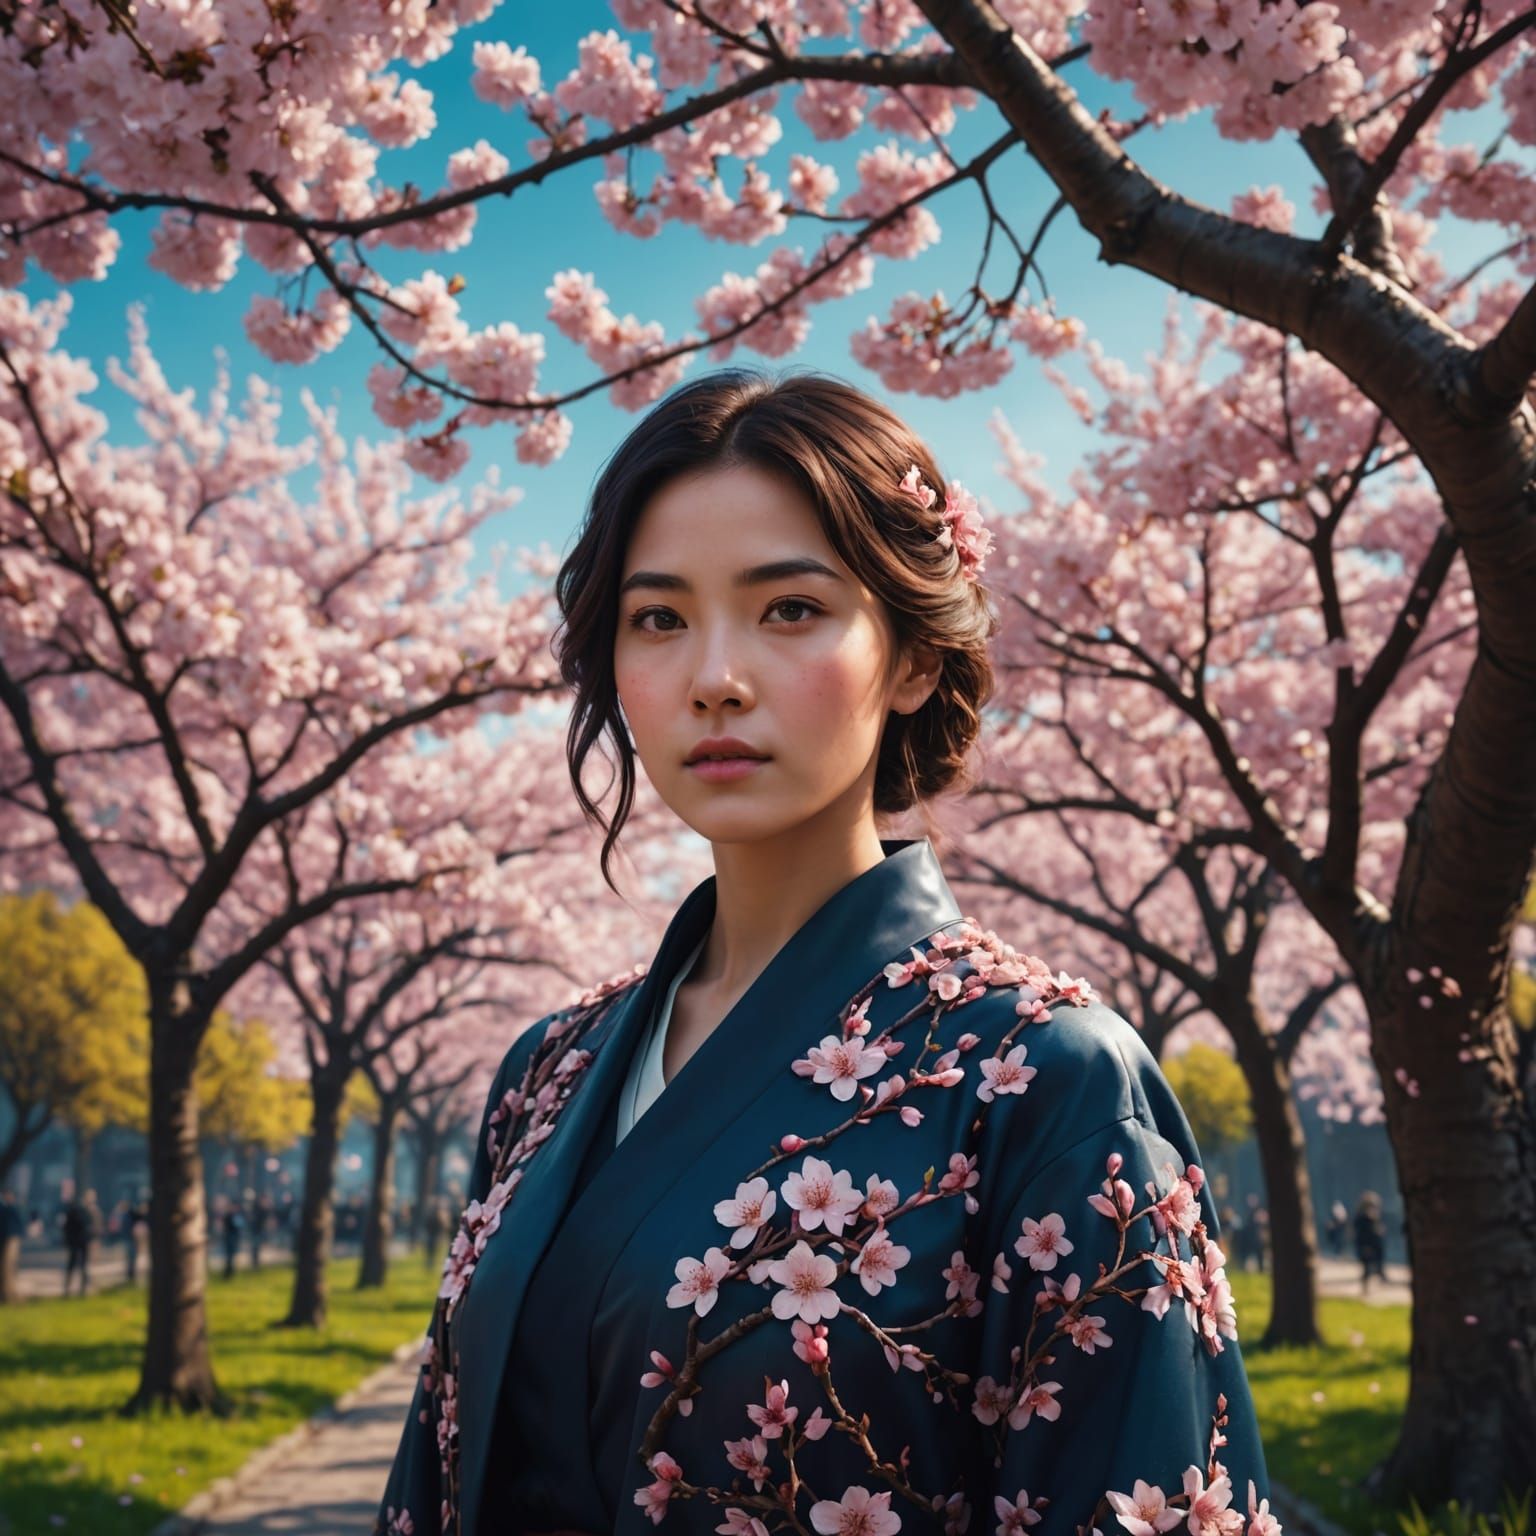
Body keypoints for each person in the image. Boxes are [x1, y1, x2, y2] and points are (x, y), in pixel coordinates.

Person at [374, 371, 1273, 1536]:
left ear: (910, 659)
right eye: (658, 619)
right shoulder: (548, 1070)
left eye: (789, 609)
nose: (715, 678)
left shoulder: (1045, 1077)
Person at [61, 1190, 97, 1296]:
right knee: (82, 1266)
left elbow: (66, 1228)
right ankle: (81, 1289)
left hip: (76, 1242)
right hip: (82, 1242)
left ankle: (70, 1289)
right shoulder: (85, 1212)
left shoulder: (72, 1211)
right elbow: (90, 1227)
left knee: (74, 1266)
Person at [1353, 1190, 1387, 1295]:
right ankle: (1366, 1288)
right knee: (1366, 1268)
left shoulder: (1374, 1217)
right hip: (1366, 1246)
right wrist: (1365, 1246)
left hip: (1374, 1245)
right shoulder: (1362, 1219)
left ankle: (1376, 1281)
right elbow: (1361, 1234)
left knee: (1373, 1266)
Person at [220, 1197, 244, 1280]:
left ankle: (231, 1272)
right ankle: (228, 1273)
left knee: (232, 1256)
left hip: (234, 1238)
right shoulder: (228, 1215)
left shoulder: (237, 1215)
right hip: (229, 1238)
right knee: (229, 1256)